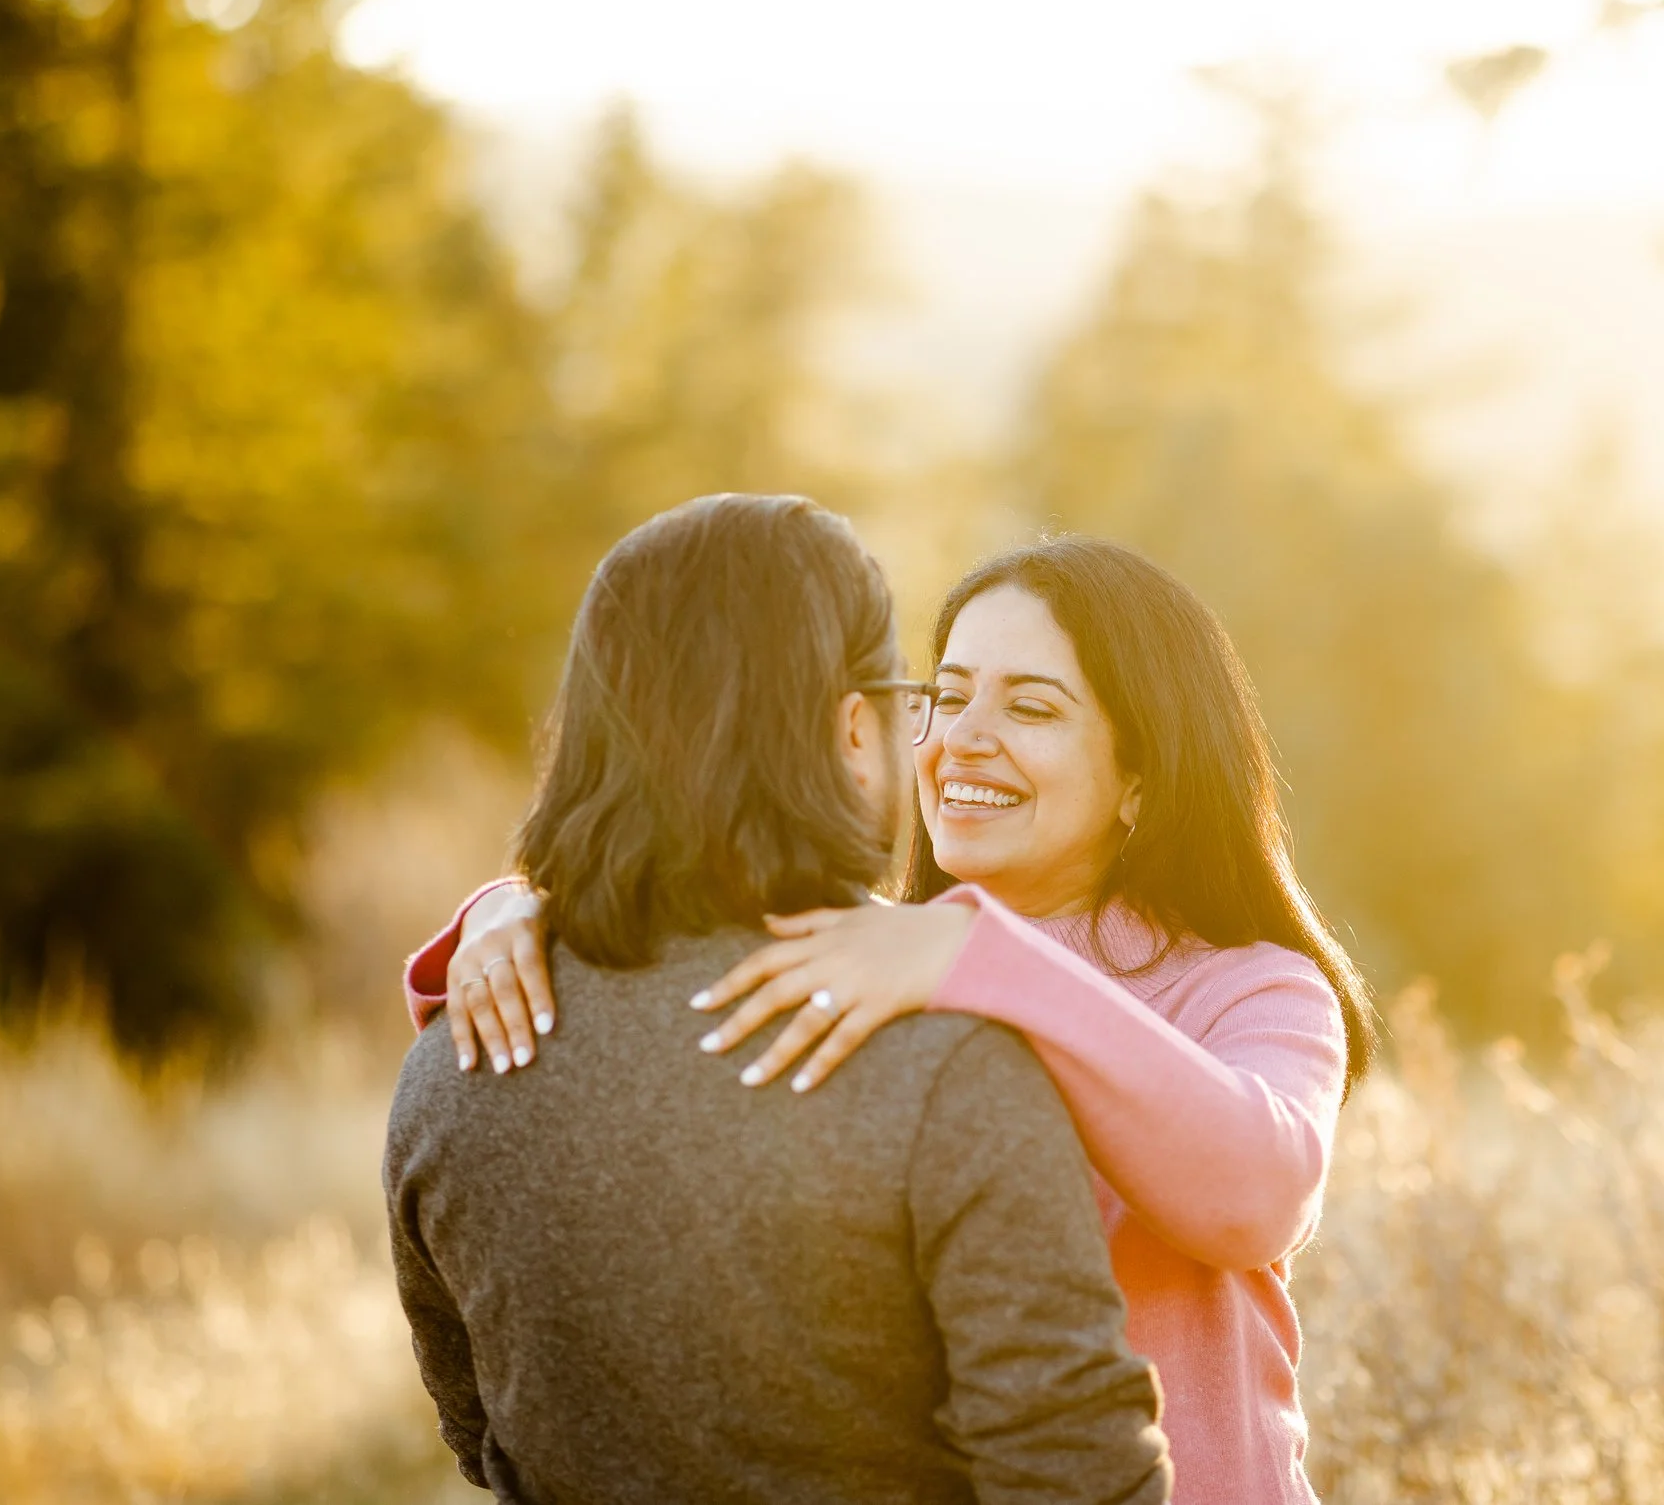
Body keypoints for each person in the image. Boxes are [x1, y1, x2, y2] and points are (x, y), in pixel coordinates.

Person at [407, 534, 1377, 1505]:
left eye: (1031, 706)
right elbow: (648, 994)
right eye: (946, 696)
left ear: (1141, 774)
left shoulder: (1254, 986)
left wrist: (975, 955)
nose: (962, 737)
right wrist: (517, 910)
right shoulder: (876, 950)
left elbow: (1258, 1192)